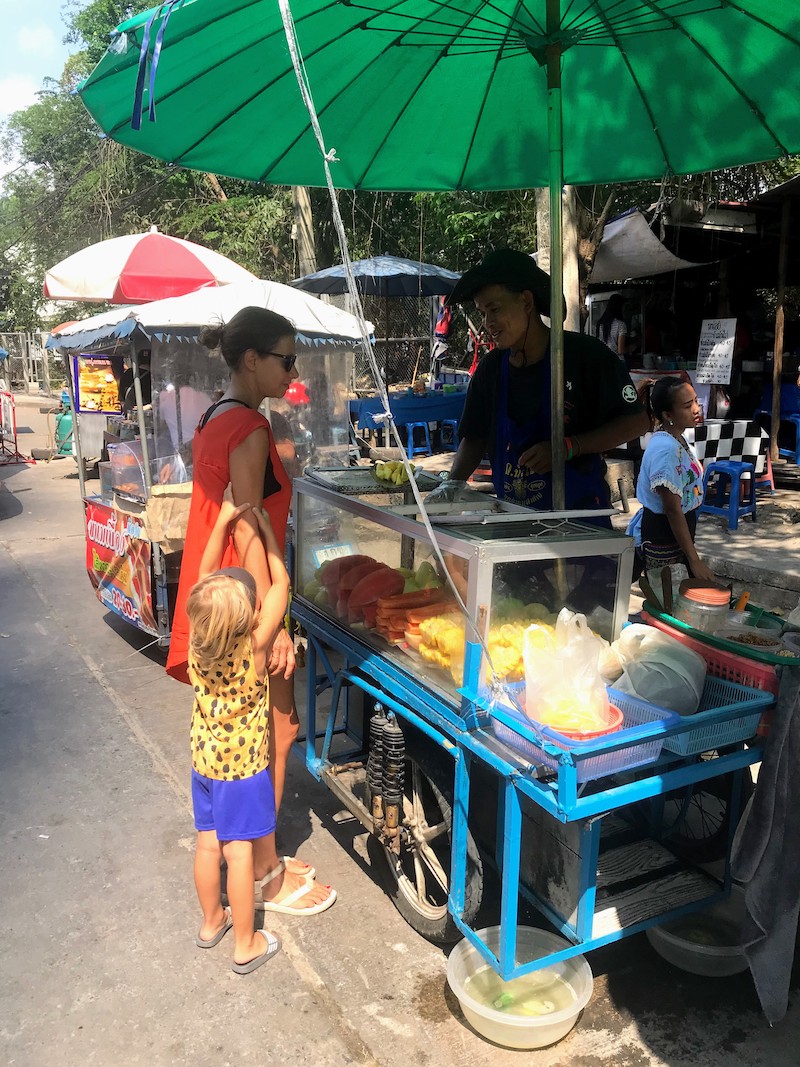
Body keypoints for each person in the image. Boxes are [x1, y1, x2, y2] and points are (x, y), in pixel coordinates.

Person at [166, 306, 309, 876]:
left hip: (215, 597)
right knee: (274, 728)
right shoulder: (251, 427)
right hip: (246, 600)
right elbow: (249, 525)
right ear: (252, 360)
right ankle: (263, 867)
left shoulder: (214, 417)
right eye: (286, 359)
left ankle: (248, 856)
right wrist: (272, 624)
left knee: (239, 729)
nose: (292, 372)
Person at [188, 494, 336, 975]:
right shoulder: (252, 650)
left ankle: (212, 923)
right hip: (243, 771)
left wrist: (224, 521)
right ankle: (247, 942)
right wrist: (270, 533)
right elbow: (284, 586)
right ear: (251, 618)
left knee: (208, 843)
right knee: (239, 851)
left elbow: (203, 576)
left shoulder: (198, 639)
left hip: (204, 762)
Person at [429, 249, 649, 513]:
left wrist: (568, 447)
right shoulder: (491, 369)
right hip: (513, 518)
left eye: (494, 309)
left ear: (526, 301)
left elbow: (636, 422)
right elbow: (475, 438)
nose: (488, 322)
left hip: (580, 521)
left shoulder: (585, 356)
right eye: (482, 313)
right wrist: (452, 486)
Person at [633, 377, 714, 585]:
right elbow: (672, 510)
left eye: (696, 401)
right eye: (688, 406)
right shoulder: (666, 450)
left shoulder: (676, 438)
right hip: (663, 536)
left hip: (676, 534)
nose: (696, 409)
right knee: (667, 601)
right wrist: (694, 560)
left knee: (675, 599)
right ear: (668, 415)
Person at [595, 294, 628, 360]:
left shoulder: (600, 323)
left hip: (604, 360)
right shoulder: (621, 324)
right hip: (617, 361)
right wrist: (630, 348)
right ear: (619, 307)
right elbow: (620, 350)